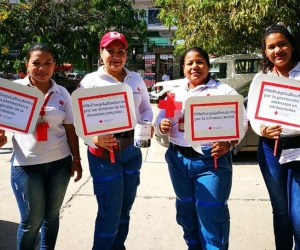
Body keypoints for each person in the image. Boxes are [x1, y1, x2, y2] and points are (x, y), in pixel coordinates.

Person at [155, 47, 248, 250]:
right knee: (186, 210)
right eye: (189, 63)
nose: (194, 66)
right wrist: (161, 126)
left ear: (207, 66)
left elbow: (242, 121)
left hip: (211, 161)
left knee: (211, 214)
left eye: (199, 62)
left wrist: (230, 142)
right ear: (183, 67)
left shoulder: (223, 92)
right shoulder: (173, 94)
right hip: (178, 160)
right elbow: (160, 120)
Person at [78, 31, 153, 250]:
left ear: (127, 54)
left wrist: (147, 123)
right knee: (109, 213)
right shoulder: (89, 82)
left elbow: (146, 109)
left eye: (121, 51)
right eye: (110, 51)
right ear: (101, 53)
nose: (116, 56)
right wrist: (93, 138)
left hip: (131, 151)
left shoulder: (136, 79)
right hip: (103, 155)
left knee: (124, 211)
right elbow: (77, 121)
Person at [10, 43, 83, 250]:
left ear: (54, 66)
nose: (42, 68)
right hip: (26, 166)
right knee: (31, 222)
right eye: (36, 63)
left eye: (47, 63)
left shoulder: (62, 93)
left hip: (59, 165)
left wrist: (76, 160)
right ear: (27, 65)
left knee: (51, 218)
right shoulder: (15, 91)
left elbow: (70, 129)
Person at [248, 23, 300, 250]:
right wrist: (262, 130)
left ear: (292, 46)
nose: (277, 50)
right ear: (265, 51)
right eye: (271, 47)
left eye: (282, 44)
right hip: (271, 149)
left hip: (299, 148)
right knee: (280, 211)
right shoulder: (263, 78)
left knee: (298, 215)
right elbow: (253, 113)